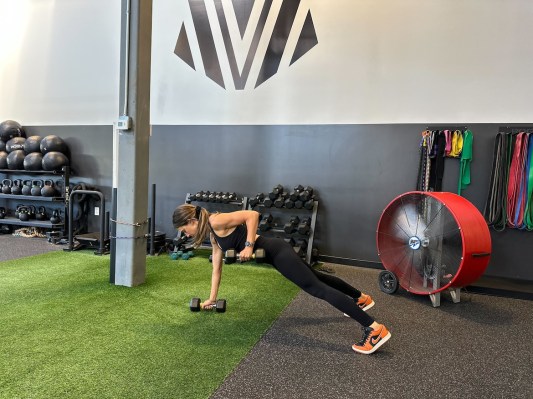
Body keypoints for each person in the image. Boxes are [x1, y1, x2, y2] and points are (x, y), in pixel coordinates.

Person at [173, 204, 391, 355]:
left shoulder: (216, 220)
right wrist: (212, 298)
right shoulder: (214, 237)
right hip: (276, 256)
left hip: (277, 252)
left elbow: (252, 215)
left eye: (185, 230)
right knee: (317, 277)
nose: (186, 235)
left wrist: (248, 246)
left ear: (192, 221)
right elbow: (216, 270)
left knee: (317, 289)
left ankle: (374, 329)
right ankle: (360, 298)